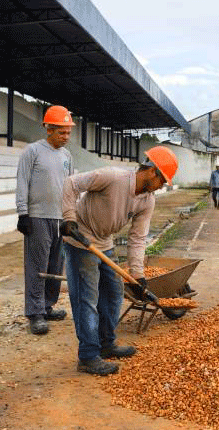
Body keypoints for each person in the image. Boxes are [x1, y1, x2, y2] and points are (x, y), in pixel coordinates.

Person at [59, 146, 178, 376]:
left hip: (105, 242)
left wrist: (138, 275)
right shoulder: (113, 177)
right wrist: (69, 218)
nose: (161, 186)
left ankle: (106, 344)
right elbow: (71, 184)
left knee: (114, 295)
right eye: (162, 180)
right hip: (80, 240)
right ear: (152, 171)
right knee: (87, 299)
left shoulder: (147, 200)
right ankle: (88, 356)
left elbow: (138, 238)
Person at [15, 105, 74, 335]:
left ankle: (48, 306)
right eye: (62, 132)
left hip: (59, 218)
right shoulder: (32, 152)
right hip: (38, 217)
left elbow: (69, 186)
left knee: (54, 265)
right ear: (49, 129)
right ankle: (35, 313)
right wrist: (23, 213)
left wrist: (70, 215)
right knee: (37, 267)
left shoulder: (67, 156)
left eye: (68, 132)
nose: (66, 137)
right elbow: (22, 182)